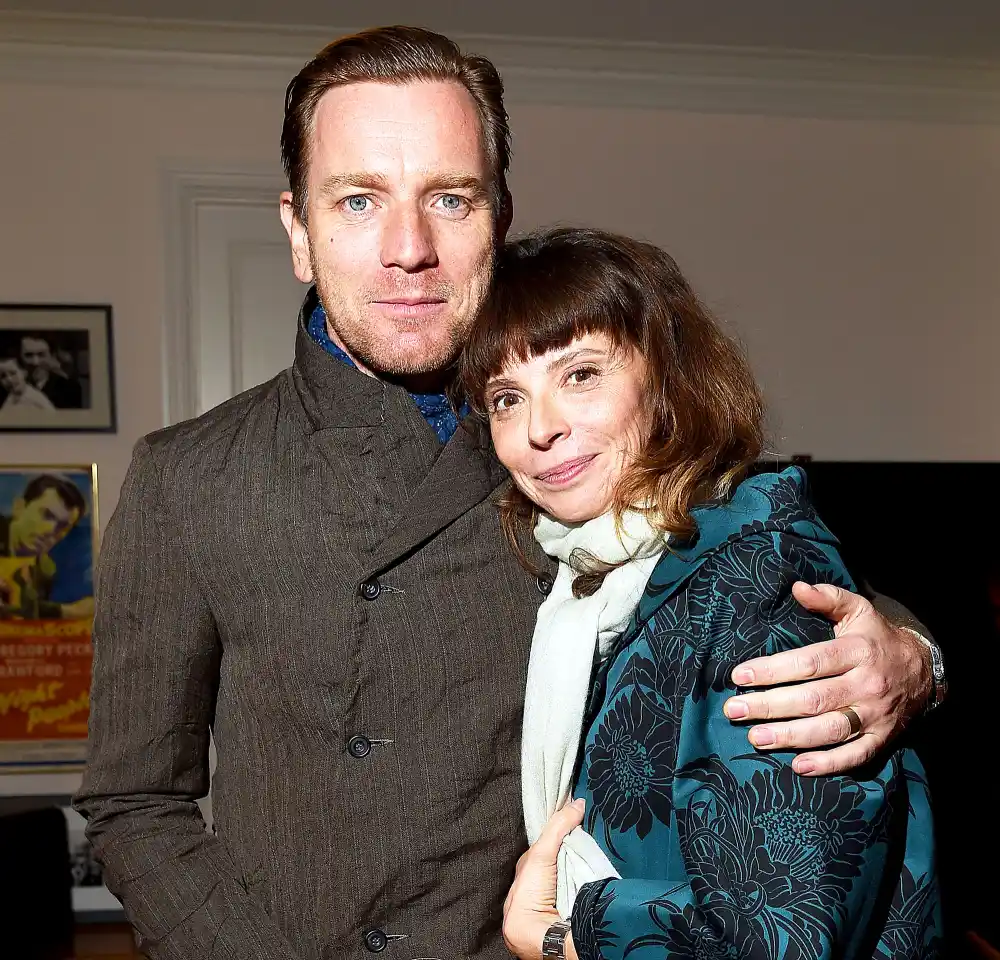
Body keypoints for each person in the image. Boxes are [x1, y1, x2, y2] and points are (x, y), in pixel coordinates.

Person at [74, 27, 941, 960]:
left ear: (499, 219)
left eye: (450, 199)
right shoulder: (188, 479)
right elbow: (136, 802)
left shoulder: (578, 442)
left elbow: (749, 566)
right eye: (359, 200)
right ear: (298, 231)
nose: (409, 249)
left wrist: (915, 659)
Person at [463, 228, 941, 960]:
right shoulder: (597, 578)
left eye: (581, 375)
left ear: (665, 381)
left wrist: (569, 937)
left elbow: (784, 937)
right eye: (506, 398)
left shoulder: (756, 582)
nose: (540, 429)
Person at [0, 473, 93, 620]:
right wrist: (66, 611)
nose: (50, 530)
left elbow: (22, 613)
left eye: (63, 526)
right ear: (19, 507)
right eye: (46, 515)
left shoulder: (46, 569)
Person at [20, 334, 84, 409]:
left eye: (41, 355)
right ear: (20, 356)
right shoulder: (11, 388)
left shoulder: (70, 389)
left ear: (51, 356)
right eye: (29, 355)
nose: (35, 362)